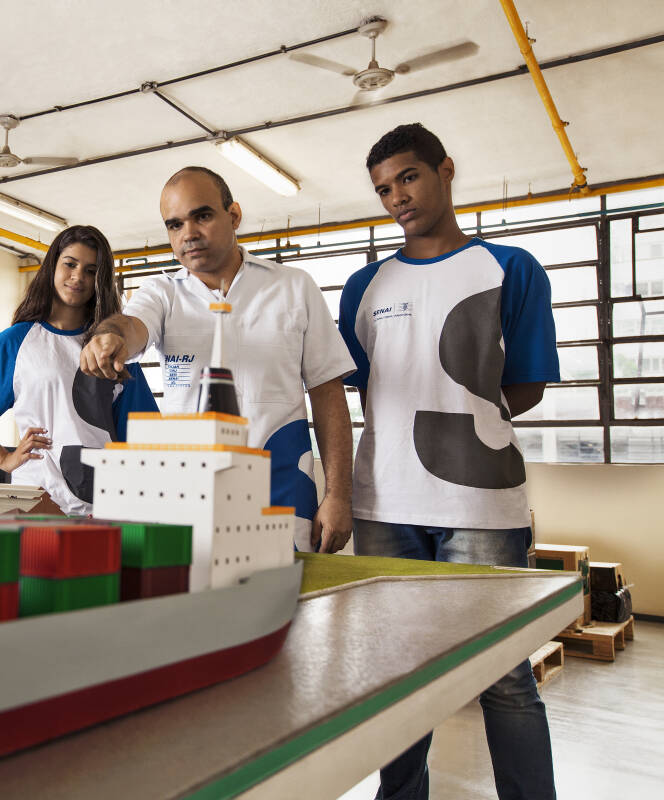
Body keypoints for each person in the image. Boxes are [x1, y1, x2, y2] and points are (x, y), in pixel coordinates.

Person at [339, 123, 560, 800]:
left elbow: (523, 385)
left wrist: (468, 423)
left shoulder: (510, 268)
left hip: (480, 506)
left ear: (445, 170)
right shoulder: (363, 285)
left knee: (503, 673)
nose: (396, 196)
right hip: (383, 505)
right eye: (383, 188)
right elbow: (370, 390)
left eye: (408, 177)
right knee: (397, 676)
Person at [80, 167, 355, 552]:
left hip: (280, 490)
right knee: (192, 609)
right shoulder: (162, 292)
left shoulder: (294, 287)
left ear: (234, 215)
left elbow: (328, 394)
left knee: (286, 607)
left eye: (202, 216)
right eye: (174, 225)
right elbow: (132, 325)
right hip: (186, 498)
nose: (188, 233)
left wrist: (339, 495)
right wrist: (111, 335)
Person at [0, 225, 158, 515]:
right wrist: (3, 459)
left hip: (102, 505)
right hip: (36, 498)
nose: (78, 277)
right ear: (52, 267)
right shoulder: (17, 341)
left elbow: (143, 435)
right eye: (70, 264)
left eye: (91, 271)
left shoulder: (112, 348)